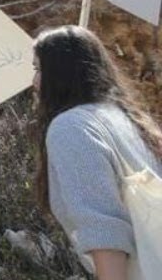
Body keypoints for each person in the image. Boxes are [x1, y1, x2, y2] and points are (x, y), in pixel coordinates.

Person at [32, 25, 162, 279]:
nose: (34, 82)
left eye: (38, 69)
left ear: (59, 73)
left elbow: (105, 232)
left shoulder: (71, 128)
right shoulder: (123, 117)